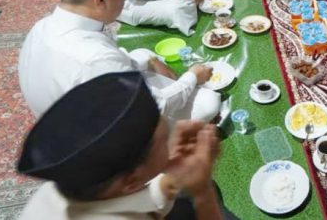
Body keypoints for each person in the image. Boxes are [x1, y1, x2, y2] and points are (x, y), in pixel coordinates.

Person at [18, 0, 221, 124]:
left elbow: (107, 69)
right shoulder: (95, 58)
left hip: (78, 110)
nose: (125, 0)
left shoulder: (42, 26)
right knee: (209, 101)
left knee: (144, 54)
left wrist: (150, 60)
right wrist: (193, 76)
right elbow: (155, 106)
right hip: (96, 139)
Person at [17, 72, 227, 220]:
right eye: (165, 139)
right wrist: (202, 192)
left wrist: (171, 182)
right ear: (132, 181)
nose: (173, 138)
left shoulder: (64, 182)